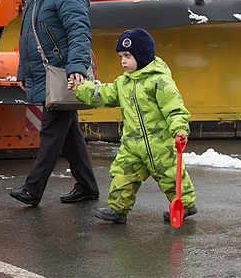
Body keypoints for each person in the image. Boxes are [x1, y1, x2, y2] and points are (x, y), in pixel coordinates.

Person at [72, 28, 196, 224]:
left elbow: (174, 108)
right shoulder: (123, 83)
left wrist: (179, 129)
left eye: (128, 56)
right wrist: (81, 88)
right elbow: (104, 94)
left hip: (160, 144)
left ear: (142, 55)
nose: (123, 61)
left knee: (170, 176)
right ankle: (117, 209)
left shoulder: (160, 81)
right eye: (121, 56)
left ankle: (186, 203)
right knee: (123, 174)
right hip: (132, 143)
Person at [10, 0, 100, 207]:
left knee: (50, 131)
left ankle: (33, 189)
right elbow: (28, 37)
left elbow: (79, 33)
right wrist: (23, 72)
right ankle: (87, 186)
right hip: (47, 74)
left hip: (62, 74)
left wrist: (77, 68)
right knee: (68, 133)